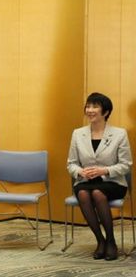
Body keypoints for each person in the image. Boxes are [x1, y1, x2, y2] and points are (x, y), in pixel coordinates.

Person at [67, 92, 132, 261]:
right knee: (82, 193)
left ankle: (111, 240)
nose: (90, 110)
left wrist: (105, 171)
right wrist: (80, 172)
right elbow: (71, 163)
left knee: (97, 193)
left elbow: (126, 165)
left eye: (95, 106)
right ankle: (100, 240)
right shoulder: (77, 134)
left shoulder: (119, 134)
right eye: (88, 106)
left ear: (106, 112)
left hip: (112, 182)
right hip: (86, 181)